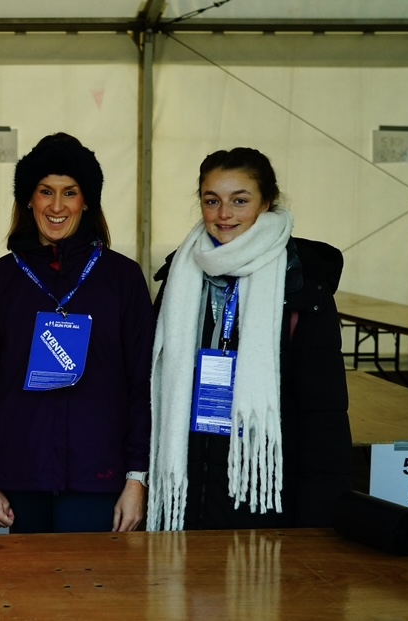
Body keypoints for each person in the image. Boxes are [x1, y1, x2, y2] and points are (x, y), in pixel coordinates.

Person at [148, 147, 352, 531]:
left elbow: (324, 414)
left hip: (264, 486)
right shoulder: (179, 276)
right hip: (190, 488)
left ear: (266, 203)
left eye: (239, 201)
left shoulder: (301, 285)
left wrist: (319, 519)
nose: (224, 215)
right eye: (213, 201)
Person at [0, 133, 153, 534]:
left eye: (71, 192)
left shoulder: (122, 278)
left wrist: (138, 478)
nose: (57, 206)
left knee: (92, 595)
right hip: (20, 478)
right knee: (26, 595)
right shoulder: (0, 279)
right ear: (29, 199)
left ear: (87, 201)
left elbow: (144, 385)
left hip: (99, 479)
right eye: (46, 191)